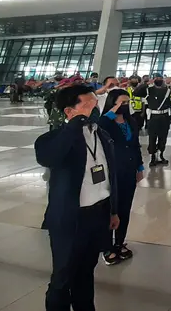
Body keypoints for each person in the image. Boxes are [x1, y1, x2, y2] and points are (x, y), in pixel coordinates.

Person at [34, 84, 120, 311]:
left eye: (95, 103)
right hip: (70, 219)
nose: (94, 109)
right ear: (69, 111)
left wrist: (113, 210)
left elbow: (111, 176)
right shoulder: (51, 139)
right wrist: (73, 127)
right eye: (88, 105)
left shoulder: (102, 135)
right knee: (63, 276)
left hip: (98, 215)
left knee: (86, 272)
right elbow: (49, 157)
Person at [98, 89, 144, 266]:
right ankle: (106, 246)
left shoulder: (131, 121)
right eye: (121, 103)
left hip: (129, 169)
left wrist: (139, 167)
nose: (125, 106)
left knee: (125, 208)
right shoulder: (106, 123)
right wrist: (113, 110)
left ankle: (119, 242)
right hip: (112, 171)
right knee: (111, 208)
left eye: (127, 103)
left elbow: (135, 145)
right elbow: (100, 122)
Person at [145, 73, 171, 166]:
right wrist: (146, 83)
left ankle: (161, 155)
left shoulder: (167, 90)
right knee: (152, 137)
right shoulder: (149, 90)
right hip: (153, 117)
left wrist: (170, 117)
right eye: (157, 78)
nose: (159, 79)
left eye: (160, 78)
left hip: (164, 116)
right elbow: (137, 92)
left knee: (163, 137)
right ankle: (153, 156)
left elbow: (169, 104)